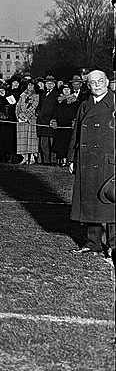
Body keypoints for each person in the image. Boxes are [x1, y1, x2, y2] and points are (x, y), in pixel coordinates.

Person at [66, 70, 115, 259]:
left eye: (100, 81)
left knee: (111, 201)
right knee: (90, 201)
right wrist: (71, 158)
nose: (97, 85)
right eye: (92, 83)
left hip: (109, 161)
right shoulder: (85, 106)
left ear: (107, 82)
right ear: (88, 85)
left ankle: (113, 244)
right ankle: (93, 242)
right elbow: (76, 133)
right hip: (87, 160)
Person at [53, 84, 79, 167]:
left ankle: (69, 161)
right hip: (60, 126)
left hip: (70, 126)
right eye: (64, 89)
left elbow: (77, 113)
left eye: (68, 89)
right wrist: (54, 120)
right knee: (60, 144)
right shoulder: (58, 101)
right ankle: (61, 160)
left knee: (69, 144)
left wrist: (75, 121)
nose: (66, 91)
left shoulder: (75, 101)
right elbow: (55, 112)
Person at [36, 75, 60, 164]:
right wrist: (39, 114)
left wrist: (52, 118)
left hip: (50, 120)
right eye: (47, 83)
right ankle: (46, 160)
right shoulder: (42, 95)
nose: (49, 85)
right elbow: (38, 106)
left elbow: (56, 109)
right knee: (44, 142)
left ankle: (53, 160)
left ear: (54, 85)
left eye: (51, 84)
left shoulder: (56, 95)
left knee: (52, 142)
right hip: (42, 120)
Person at [16, 79, 40, 165]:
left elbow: (33, 107)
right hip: (21, 120)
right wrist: (19, 115)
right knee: (22, 139)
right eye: (29, 85)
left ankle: (32, 158)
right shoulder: (22, 95)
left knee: (31, 139)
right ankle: (24, 158)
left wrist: (25, 116)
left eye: (32, 85)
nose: (30, 87)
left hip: (31, 119)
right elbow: (18, 105)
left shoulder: (36, 96)